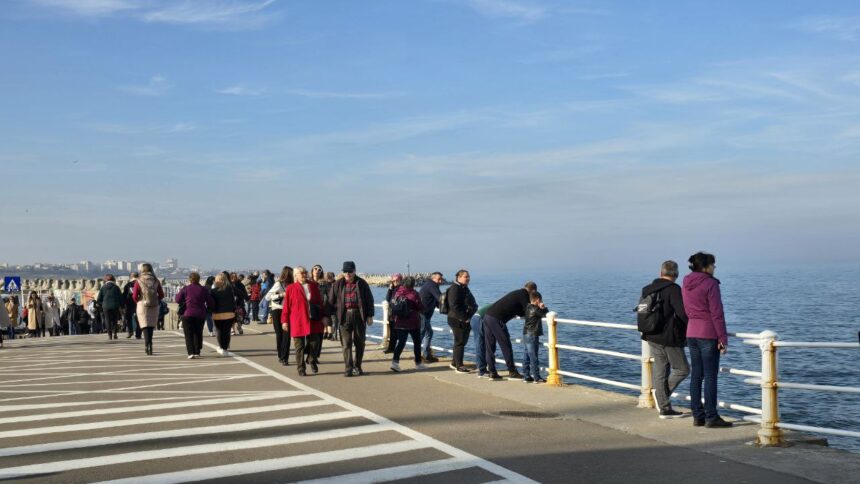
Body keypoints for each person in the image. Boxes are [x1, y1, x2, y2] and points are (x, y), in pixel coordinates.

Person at [683, 252, 731, 428]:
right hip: (708, 333)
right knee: (710, 376)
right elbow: (716, 313)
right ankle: (711, 417)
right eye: (713, 264)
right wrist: (722, 338)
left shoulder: (686, 283)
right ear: (705, 267)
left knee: (696, 375)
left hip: (691, 333)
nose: (714, 267)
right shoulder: (710, 283)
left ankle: (698, 416)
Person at [640, 260, 690, 419]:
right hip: (669, 337)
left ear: (661, 272)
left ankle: (664, 408)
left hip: (651, 334)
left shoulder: (648, 289)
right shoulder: (673, 289)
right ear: (675, 274)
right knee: (682, 369)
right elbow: (682, 313)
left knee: (660, 370)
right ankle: (662, 398)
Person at [327, 261, 375, 377]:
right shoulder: (338, 284)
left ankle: (357, 366)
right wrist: (329, 319)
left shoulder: (362, 283)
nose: (347, 273)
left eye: (350, 271)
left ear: (354, 271)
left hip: (359, 315)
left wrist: (370, 315)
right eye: (345, 271)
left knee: (360, 343)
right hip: (344, 316)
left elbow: (369, 300)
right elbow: (330, 302)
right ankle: (348, 368)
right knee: (346, 343)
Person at [483, 282, 535, 380]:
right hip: (497, 319)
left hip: (488, 316)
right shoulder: (524, 294)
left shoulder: (517, 293)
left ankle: (492, 371)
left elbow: (520, 311)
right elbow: (528, 310)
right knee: (506, 345)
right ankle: (512, 371)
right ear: (533, 291)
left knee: (490, 346)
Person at [282, 266, 324, 376]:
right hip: (298, 320)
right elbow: (286, 306)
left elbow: (319, 302)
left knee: (315, 343)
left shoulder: (313, 286)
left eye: (305, 272)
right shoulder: (291, 288)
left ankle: (311, 358)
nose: (304, 275)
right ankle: (301, 368)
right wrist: (285, 321)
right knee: (299, 346)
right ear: (296, 275)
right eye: (301, 273)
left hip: (313, 319)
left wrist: (323, 316)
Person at [390, 276, 427, 372]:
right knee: (417, 343)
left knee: (401, 343)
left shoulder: (397, 292)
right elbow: (420, 307)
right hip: (413, 322)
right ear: (413, 284)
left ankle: (395, 363)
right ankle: (418, 363)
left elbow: (392, 304)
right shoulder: (414, 294)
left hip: (399, 322)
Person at [176, 272, 215, 359]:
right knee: (198, 332)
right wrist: (209, 308)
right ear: (198, 279)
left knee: (188, 334)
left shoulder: (185, 288)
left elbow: (178, 299)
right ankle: (197, 351)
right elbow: (211, 302)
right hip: (200, 314)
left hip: (187, 313)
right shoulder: (203, 289)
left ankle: (190, 352)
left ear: (190, 279)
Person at [445, 269, 478, 374]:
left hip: (463, 319)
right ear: (458, 278)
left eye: (468, 276)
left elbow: (471, 302)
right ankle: (459, 366)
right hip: (457, 320)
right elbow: (454, 305)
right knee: (460, 342)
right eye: (465, 276)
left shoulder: (463, 288)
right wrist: (465, 318)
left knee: (461, 342)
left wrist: (473, 309)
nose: (468, 278)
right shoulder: (455, 288)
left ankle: (455, 363)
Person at [132, 263, 164, 355]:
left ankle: (147, 344)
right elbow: (161, 295)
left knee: (144, 325)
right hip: (154, 305)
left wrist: (138, 301)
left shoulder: (139, 280)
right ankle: (151, 343)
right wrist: (156, 300)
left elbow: (134, 295)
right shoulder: (156, 280)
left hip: (142, 304)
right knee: (151, 326)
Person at [266, 266, 292, 366]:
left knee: (287, 334)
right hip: (277, 310)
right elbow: (268, 297)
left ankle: (285, 357)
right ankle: (280, 354)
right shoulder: (278, 284)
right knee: (279, 334)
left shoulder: (292, 285)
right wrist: (281, 295)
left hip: (287, 310)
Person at [522, 291, 549, 383]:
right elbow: (546, 315)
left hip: (526, 333)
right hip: (532, 334)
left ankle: (526, 376)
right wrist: (544, 307)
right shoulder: (535, 309)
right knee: (533, 356)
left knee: (527, 355)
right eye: (540, 300)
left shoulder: (528, 307)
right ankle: (536, 377)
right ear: (537, 300)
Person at [418, 272, 444, 363]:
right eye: (439, 279)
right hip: (423, 313)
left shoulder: (429, 284)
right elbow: (440, 298)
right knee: (422, 334)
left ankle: (426, 355)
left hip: (423, 313)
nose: (440, 281)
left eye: (441, 279)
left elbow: (436, 301)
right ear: (433, 279)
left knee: (428, 333)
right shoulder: (432, 285)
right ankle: (422, 356)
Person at [210, 272, 237, 356]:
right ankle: (225, 349)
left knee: (219, 331)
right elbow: (233, 301)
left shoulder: (213, 291)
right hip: (229, 313)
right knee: (226, 332)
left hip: (217, 314)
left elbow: (211, 303)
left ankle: (221, 347)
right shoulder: (229, 289)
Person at [96, 274, 123, 340]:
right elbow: (120, 297)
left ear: (106, 280)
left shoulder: (103, 287)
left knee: (107, 320)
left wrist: (102, 304)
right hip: (115, 306)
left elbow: (99, 299)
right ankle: (115, 333)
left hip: (106, 306)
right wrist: (121, 305)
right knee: (114, 320)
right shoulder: (116, 287)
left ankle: (109, 335)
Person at [382, 273, 403, 354]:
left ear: (400, 280)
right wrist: (390, 289)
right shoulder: (393, 289)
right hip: (392, 314)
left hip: (399, 314)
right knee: (393, 333)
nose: (395, 282)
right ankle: (391, 348)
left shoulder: (402, 289)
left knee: (400, 334)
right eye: (393, 281)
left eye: (397, 280)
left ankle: (397, 349)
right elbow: (387, 299)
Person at [472, 304, 492, 377]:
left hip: (476, 318)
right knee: (481, 345)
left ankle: (481, 368)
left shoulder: (497, 304)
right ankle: (482, 370)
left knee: (480, 345)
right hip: (479, 319)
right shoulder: (502, 306)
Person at [123, 272, 141, 339]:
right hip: (139, 303)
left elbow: (124, 296)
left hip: (129, 304)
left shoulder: (128, 285)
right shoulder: (141, 284)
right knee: (139, 319)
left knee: (128, 318)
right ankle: (138, 334)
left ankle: (130, 331)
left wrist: (123, 305)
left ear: (131, 277)